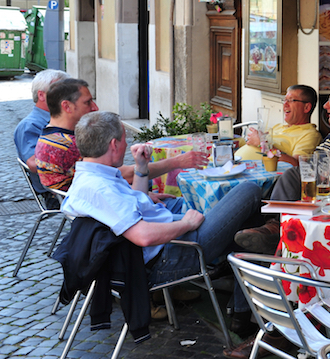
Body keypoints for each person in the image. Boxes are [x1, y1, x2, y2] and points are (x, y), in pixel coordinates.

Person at [60, 111, 263, 338]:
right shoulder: (99, 188)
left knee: (250, 228)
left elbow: (134, 204)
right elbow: (143, 237)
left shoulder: (93, 175)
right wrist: (186, 224)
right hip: (173, 255)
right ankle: (243, 311)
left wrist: (141, 167)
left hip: (165, 243)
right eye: (125, 139)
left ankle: (241, 315)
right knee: (250, 191)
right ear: (114, 144)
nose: (127, 144)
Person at [234, 85, 330, 253]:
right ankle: (247, 247)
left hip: (327, 191)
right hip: (307, 182)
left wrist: (325, 177)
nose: (325, 106)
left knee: (291, 175)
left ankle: (275, 230)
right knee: (252, 203)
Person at [35, 78, 208, 192]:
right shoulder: (70, 145)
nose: (95, 107)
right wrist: (176, 162)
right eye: (87, 102)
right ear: (67, 106)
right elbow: (123, 175)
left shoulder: (49, 136)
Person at [14, 69, 69, 206]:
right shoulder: (30, 125)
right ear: (42, 95)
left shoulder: (64, 119)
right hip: (56, 192)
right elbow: (34, 164)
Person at [235, 85, 322, 167]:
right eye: (284, 100)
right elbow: (252, 142)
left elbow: (296, 165)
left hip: (259, 177)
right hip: (235, 167)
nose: (285, 105)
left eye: (291, 100)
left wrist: (263, 144)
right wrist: (230, 139)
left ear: (306, 107)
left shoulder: (310, 135)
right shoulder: (279, 126)